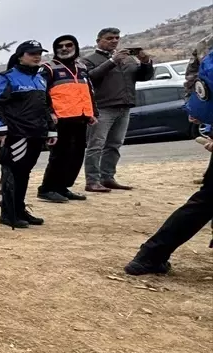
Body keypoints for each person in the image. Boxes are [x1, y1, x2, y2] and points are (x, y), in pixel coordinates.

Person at [125, 46, 213, 275]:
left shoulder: (207, 47)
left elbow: (197, 84)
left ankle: (151, 255)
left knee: (205, 201)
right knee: (207, 200)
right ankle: (150, 255)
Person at [0, 41, 57, 229]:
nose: (37, 56)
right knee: (13, 174)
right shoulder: (7, 78)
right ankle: (9, 214)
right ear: (20, 56)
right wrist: (0, 128)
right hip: (16, 135)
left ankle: (20, 209)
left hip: (36, 134)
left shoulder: (40, 78)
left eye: (39, 53)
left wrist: (50, 129)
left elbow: (46, 107)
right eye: (32, 53)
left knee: (24, 174)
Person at [82, 27, 154, 192]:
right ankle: (92, 180)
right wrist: (112, 61)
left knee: (114, 144)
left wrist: (145, 63)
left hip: (124, 107)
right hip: (103, 108)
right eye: (109, 38)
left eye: (116, 38)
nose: (114, 41)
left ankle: (107, 177)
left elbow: (144, 77)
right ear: (98, 41)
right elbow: (90, 78)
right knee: (96, 145)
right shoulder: (89, 60)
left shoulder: (128, 59)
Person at [37, 34, 97, 203]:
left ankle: (62, 187)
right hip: (60, 119)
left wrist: (93, 112)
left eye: (68, 45)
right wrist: (49, 113)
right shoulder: (48, 68)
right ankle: (47, 188)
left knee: (76, 155)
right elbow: (40, 94)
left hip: (81, 117)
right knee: (59, 156)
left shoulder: (82, 67)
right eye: (60, 46)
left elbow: (88, 91)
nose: (64, 48)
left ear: (75, 47)